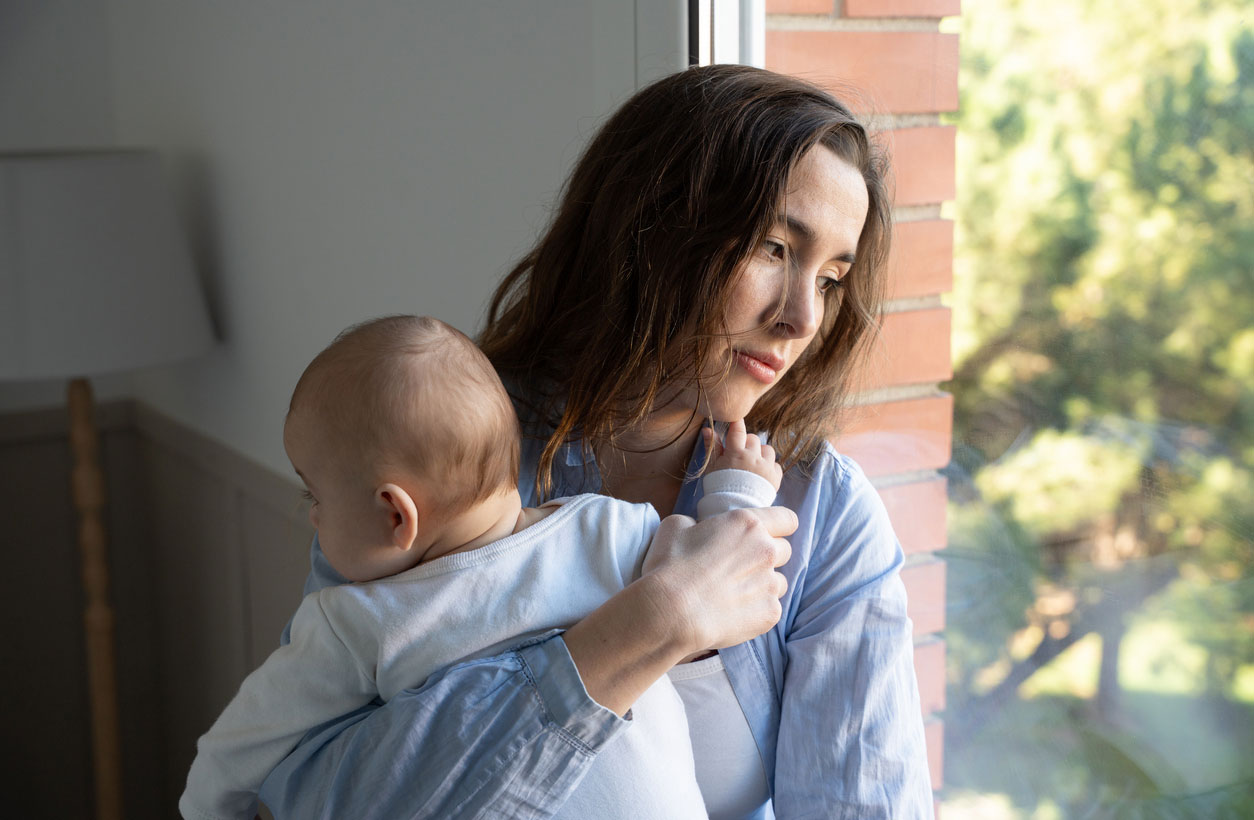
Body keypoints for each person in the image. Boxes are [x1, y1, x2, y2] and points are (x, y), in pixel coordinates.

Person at [260, 64, 933, 819]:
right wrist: (652, 624)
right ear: (651, 226)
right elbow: (304, 792)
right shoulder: (429, 444)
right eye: (774, 248)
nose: (804, 318)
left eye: (832, 278)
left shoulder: (823, 518)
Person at [182, 315, 783, 820]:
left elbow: (240, 744)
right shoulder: (603, 529)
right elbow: (713, 571)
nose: (313, 518)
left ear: (396, 514)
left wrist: (208, 810)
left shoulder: (356, 622)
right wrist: (737, 491)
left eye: (314, 496)